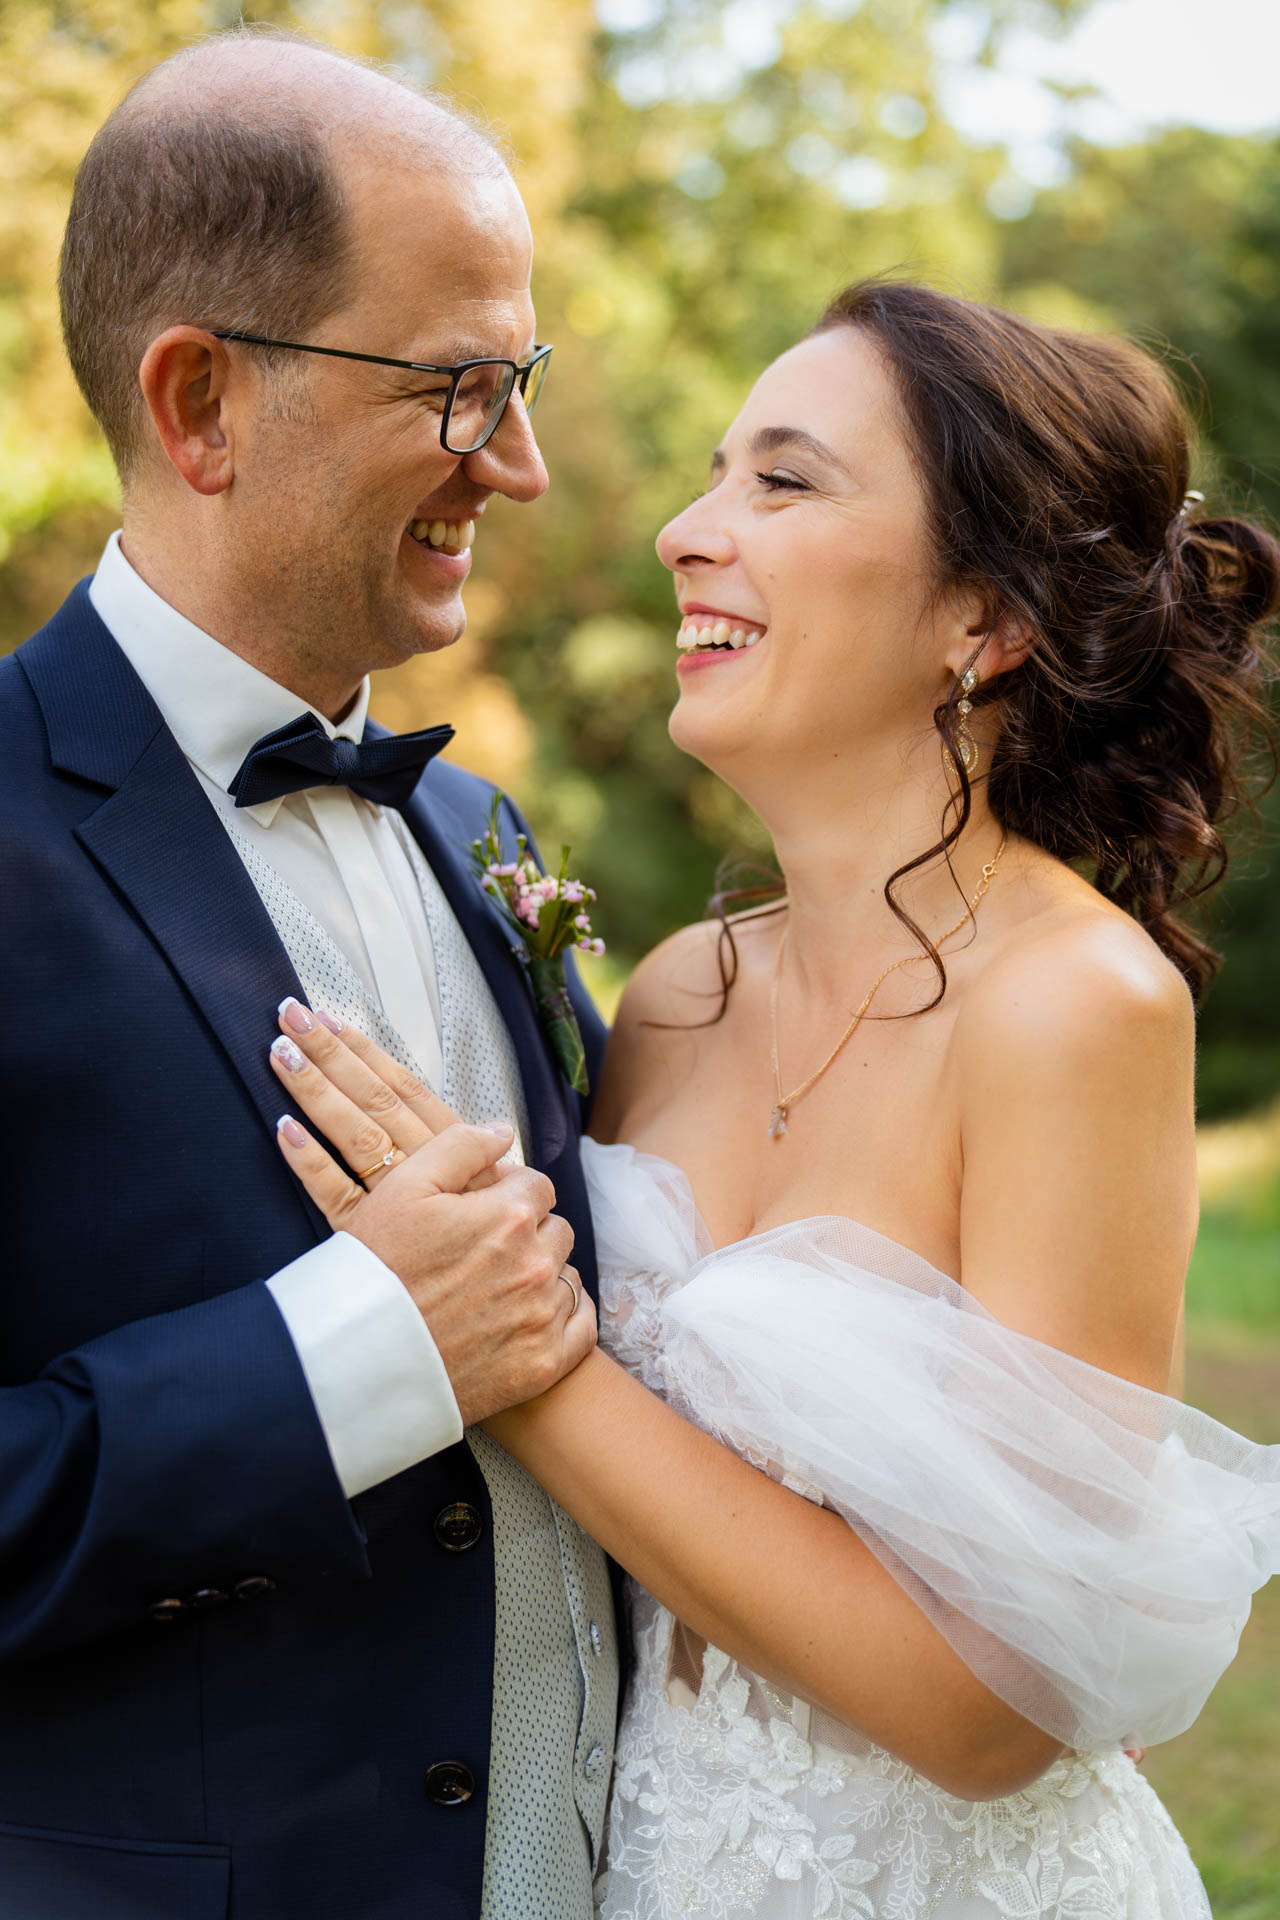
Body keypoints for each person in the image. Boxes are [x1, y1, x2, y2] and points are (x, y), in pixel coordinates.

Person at [273, 282, 1280, 1918]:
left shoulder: (1076, 1010)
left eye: (784, 483)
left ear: (985, 621)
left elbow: (993, 1708)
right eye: (712, 474)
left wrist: (508, 1343)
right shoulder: (677, 994)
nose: (685, 531)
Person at [0, 27, 618, 1920]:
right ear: (200, 403)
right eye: (454, 389)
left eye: (517, 382)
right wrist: (354, 1356)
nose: (513, 466)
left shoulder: (488, 835)